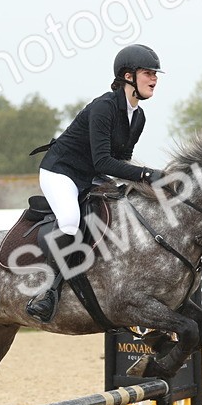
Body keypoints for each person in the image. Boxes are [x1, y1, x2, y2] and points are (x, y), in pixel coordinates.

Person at [24, 44, 167, 322]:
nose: (154, 79)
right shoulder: (104, 107)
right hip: (62, 172)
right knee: (70, 220)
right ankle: (49, 293)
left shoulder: (138, 116)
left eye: (155, 74)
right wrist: (147, 175)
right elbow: (103, 162)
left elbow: (122, 160)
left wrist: (148, 182)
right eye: (148, 73)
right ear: (128, 76)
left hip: (91, 176)